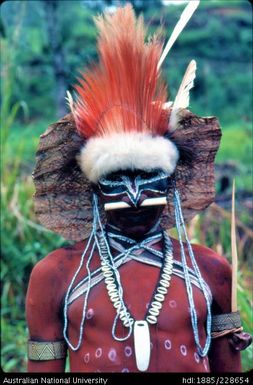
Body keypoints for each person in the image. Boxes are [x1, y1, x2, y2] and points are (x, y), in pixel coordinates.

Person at [26, 4, 251, 373]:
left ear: (171, 185)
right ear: (94, 191)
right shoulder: (55, 275)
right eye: (117, 179)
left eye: (148, 179)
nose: (134, 196)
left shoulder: (212, 270)